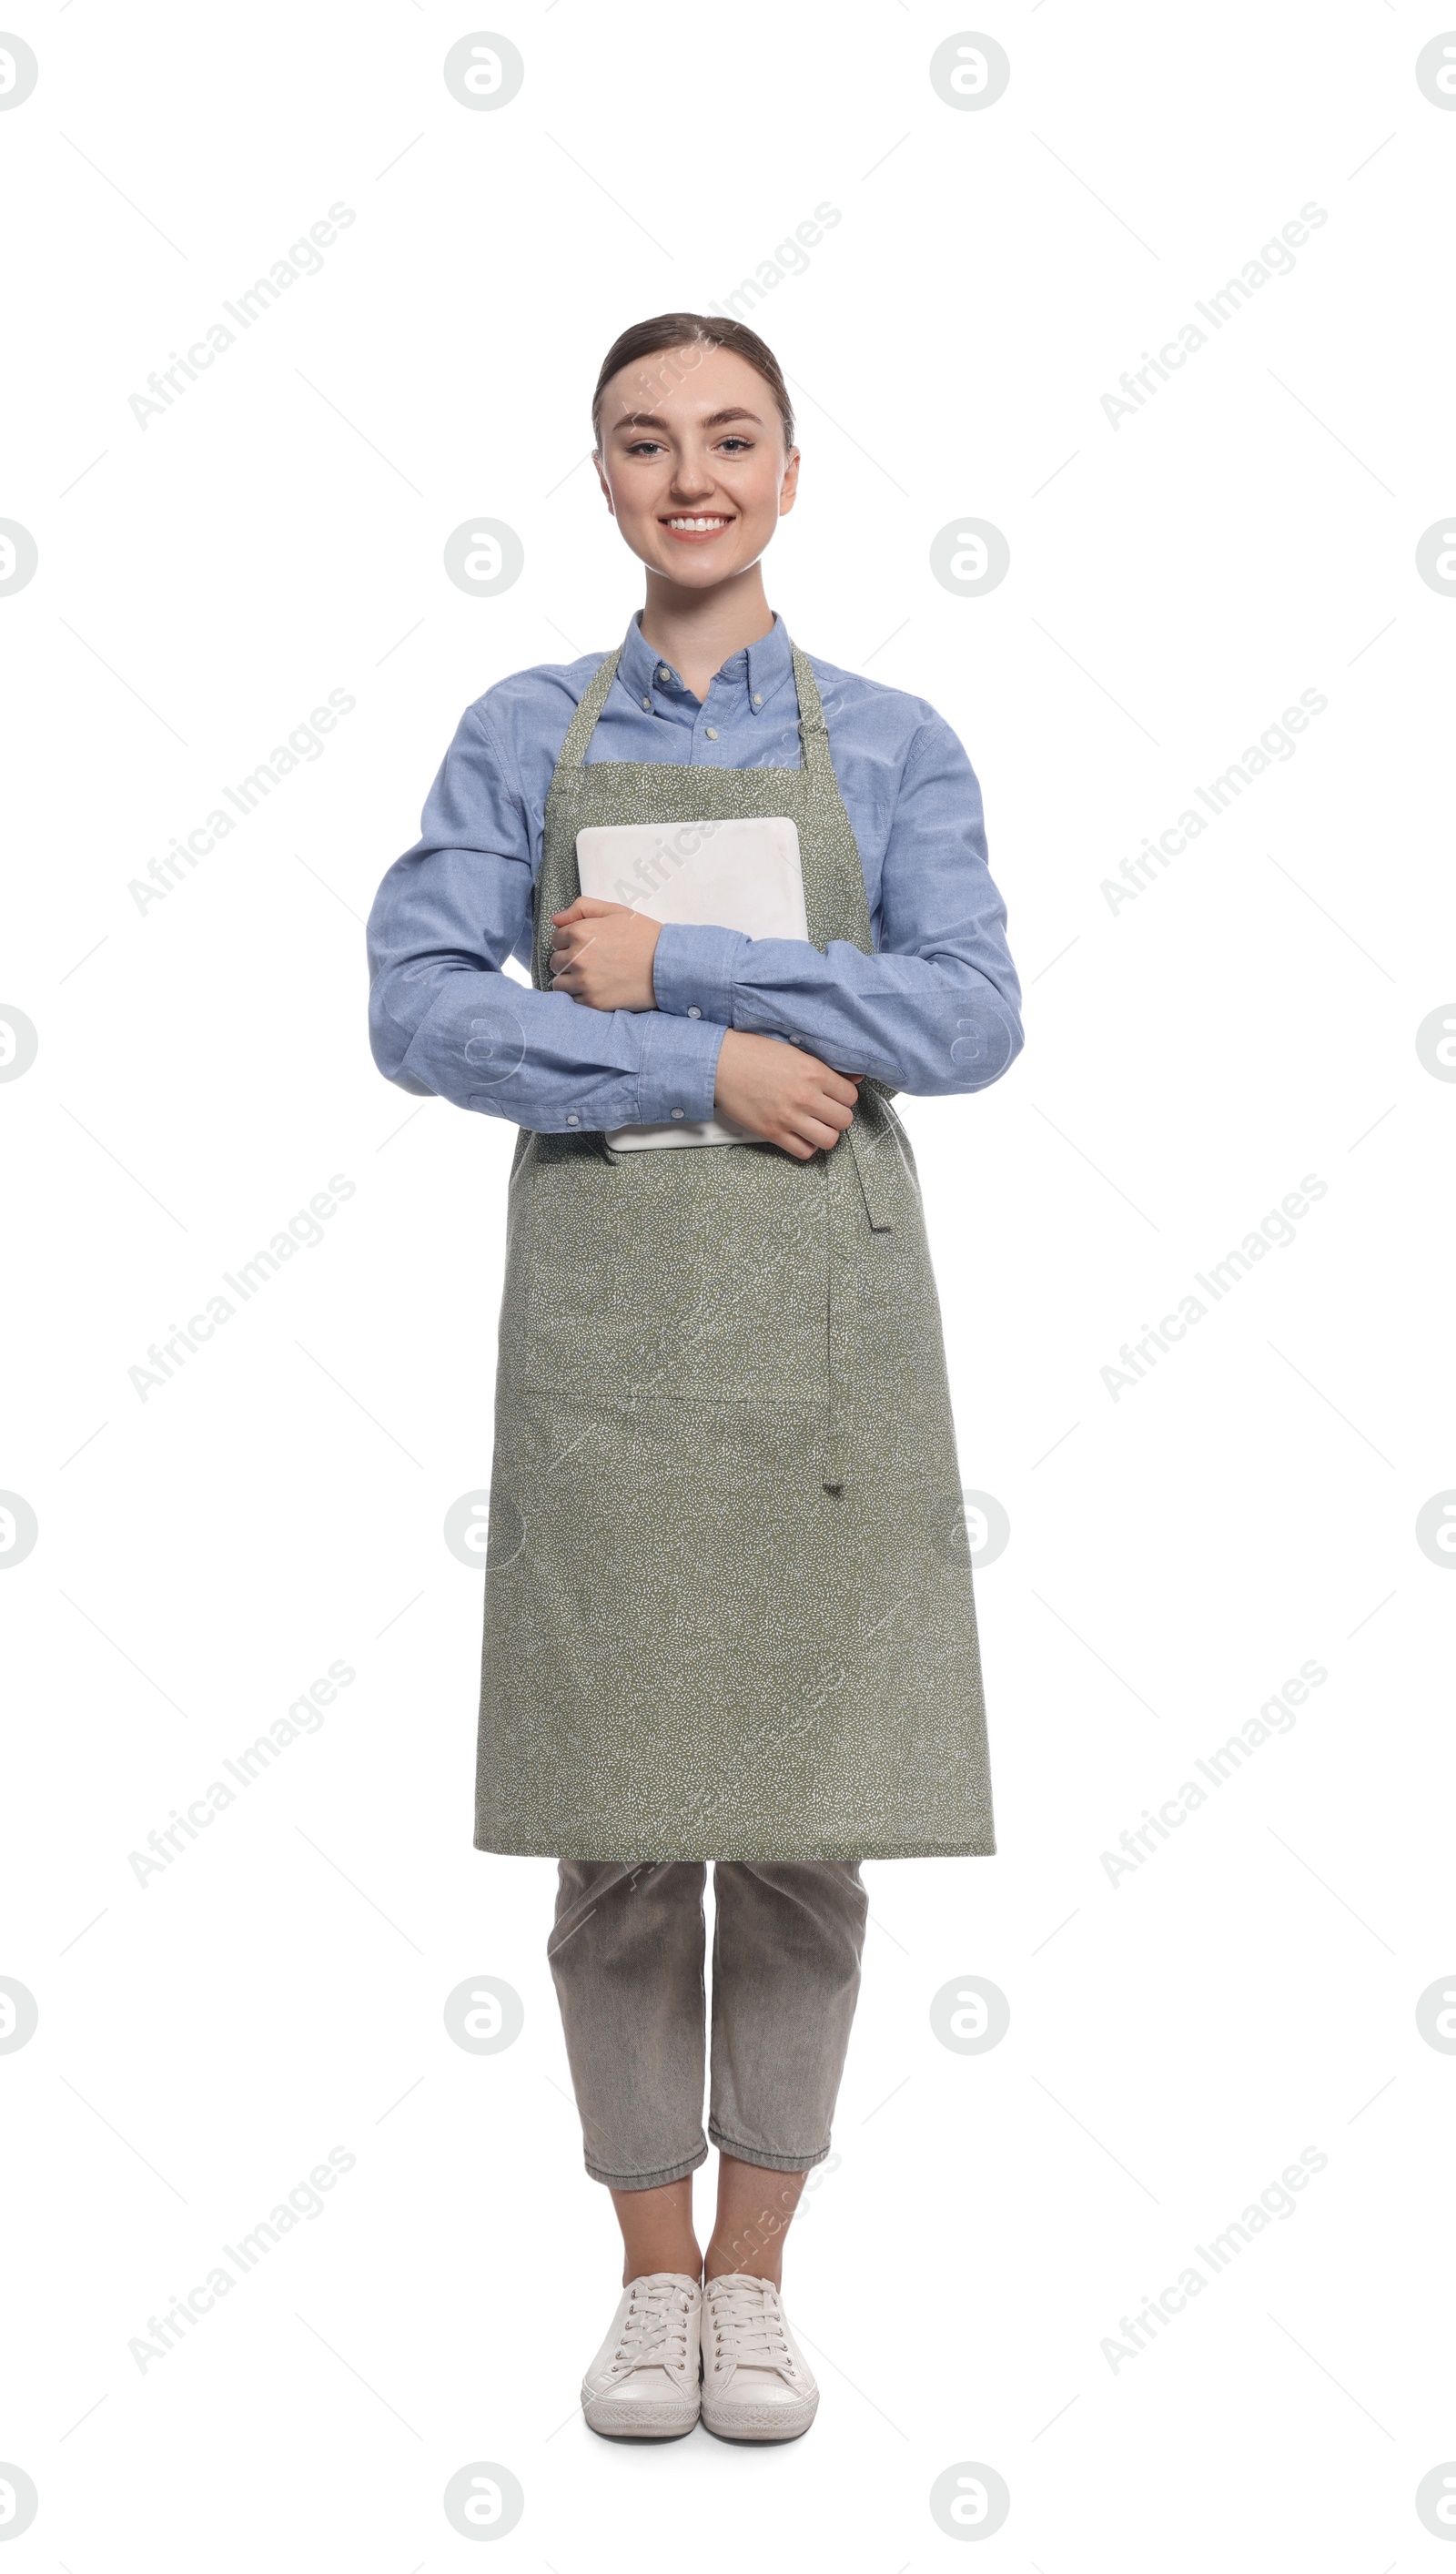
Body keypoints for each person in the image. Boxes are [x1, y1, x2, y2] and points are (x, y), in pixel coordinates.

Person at [366, 312, 1023, 2445]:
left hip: (823, 1341)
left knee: (809, 1829)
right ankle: (648, 2287)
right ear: (601, 478)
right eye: (644, 443)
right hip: (609, 1344)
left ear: (791, 472)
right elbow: (419, 1011)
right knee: (627, 1835)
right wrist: (704, 1065)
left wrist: (694, 961)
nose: (690, 477)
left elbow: (966, 1016)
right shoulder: (519, 736)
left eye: (729, 438)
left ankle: (760, 2283)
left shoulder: (897, 742)